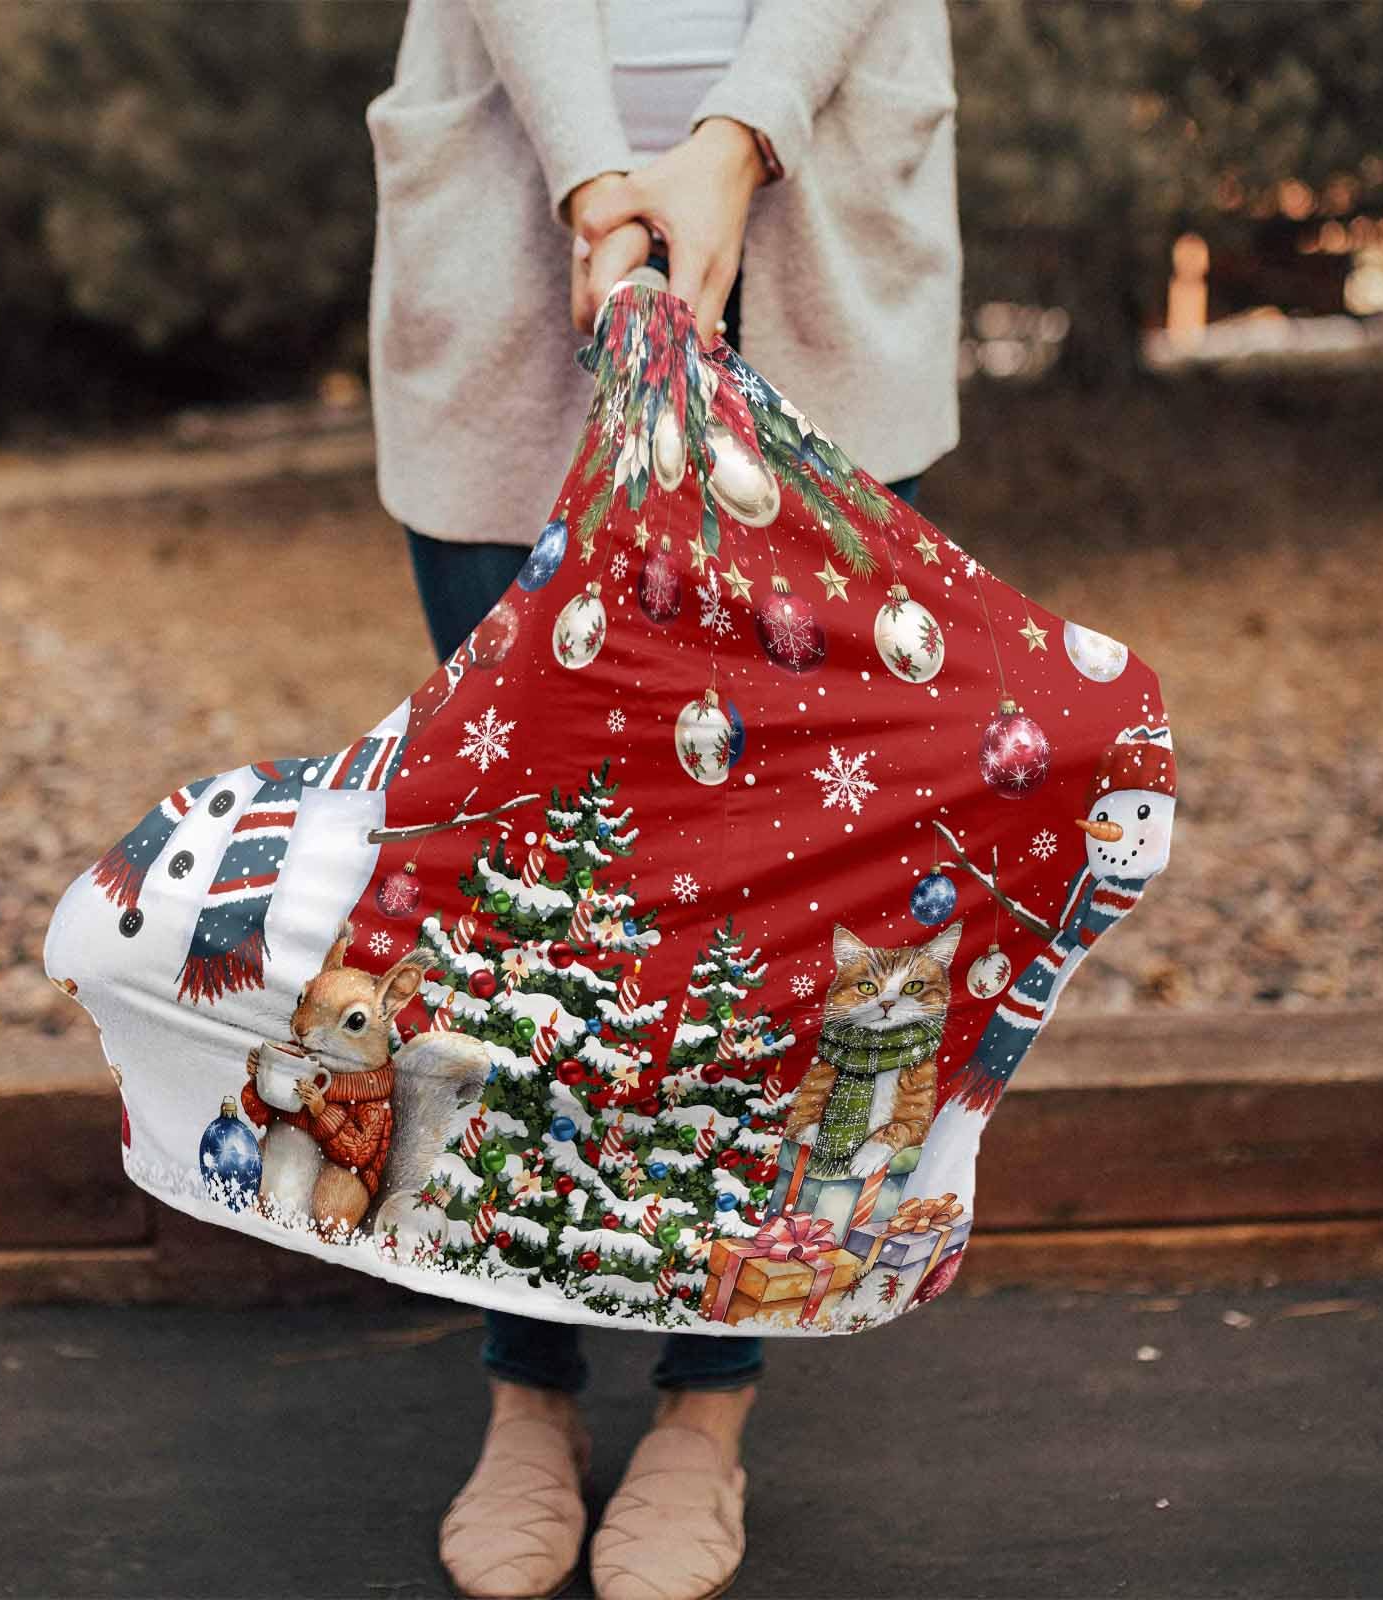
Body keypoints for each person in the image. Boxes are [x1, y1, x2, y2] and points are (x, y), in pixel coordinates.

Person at [364, 4, 960, 1595]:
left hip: (816, 229)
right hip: (515, 225)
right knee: (524, 881)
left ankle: (708, 1403)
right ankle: (528, 1386)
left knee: (774, 889)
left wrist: (735, 137)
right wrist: (592, 178)